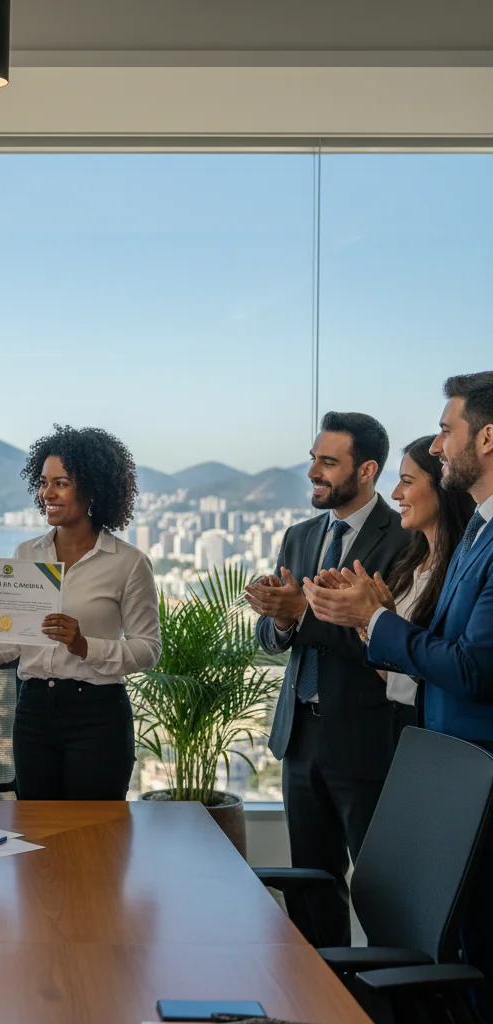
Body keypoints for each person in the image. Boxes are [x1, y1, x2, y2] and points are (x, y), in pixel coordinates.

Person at [303, 374, 493, 1017]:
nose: (439, 447)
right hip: (443, 767)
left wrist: (376, 623)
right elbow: (438, 645)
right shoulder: (475, 536)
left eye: (448, 429)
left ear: (487, 438)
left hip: (472, 774)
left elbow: (472, 668)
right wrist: (375, 618)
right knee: (455, 955)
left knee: (471, 961)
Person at [0, 425, 161, 800]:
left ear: (94, 489)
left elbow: (148, 650)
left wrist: (84, 646)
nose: (47, 493)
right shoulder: (26, 555)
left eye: (61, 483)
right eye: (44, 483)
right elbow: (12, 642)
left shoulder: (128, 563)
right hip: (33, 714)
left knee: (93, 835)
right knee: (35, 830)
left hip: (96, 715)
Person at [244, 411, 409, 948]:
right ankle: (314, 995)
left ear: (366, 471)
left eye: (327, 462)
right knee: (311, 886)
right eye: (313, 458)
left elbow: (389, 641)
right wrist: (284, 617)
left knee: (384, 892)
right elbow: (271, 640)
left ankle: (393, 1001)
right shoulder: (298, 536)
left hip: (366, 737)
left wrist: (304, 614)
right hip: (300, 736)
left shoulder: (403, 539)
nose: (313, 470)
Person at [317, 436, 473, 733]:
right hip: (399, 726)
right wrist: (367, 623)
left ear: (443, 486)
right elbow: (395, 675)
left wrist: (376, 618)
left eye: (407, 481)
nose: (396, 493)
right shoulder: (410, 566)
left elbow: (452, 668)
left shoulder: (462, 571)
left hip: (442, 731)